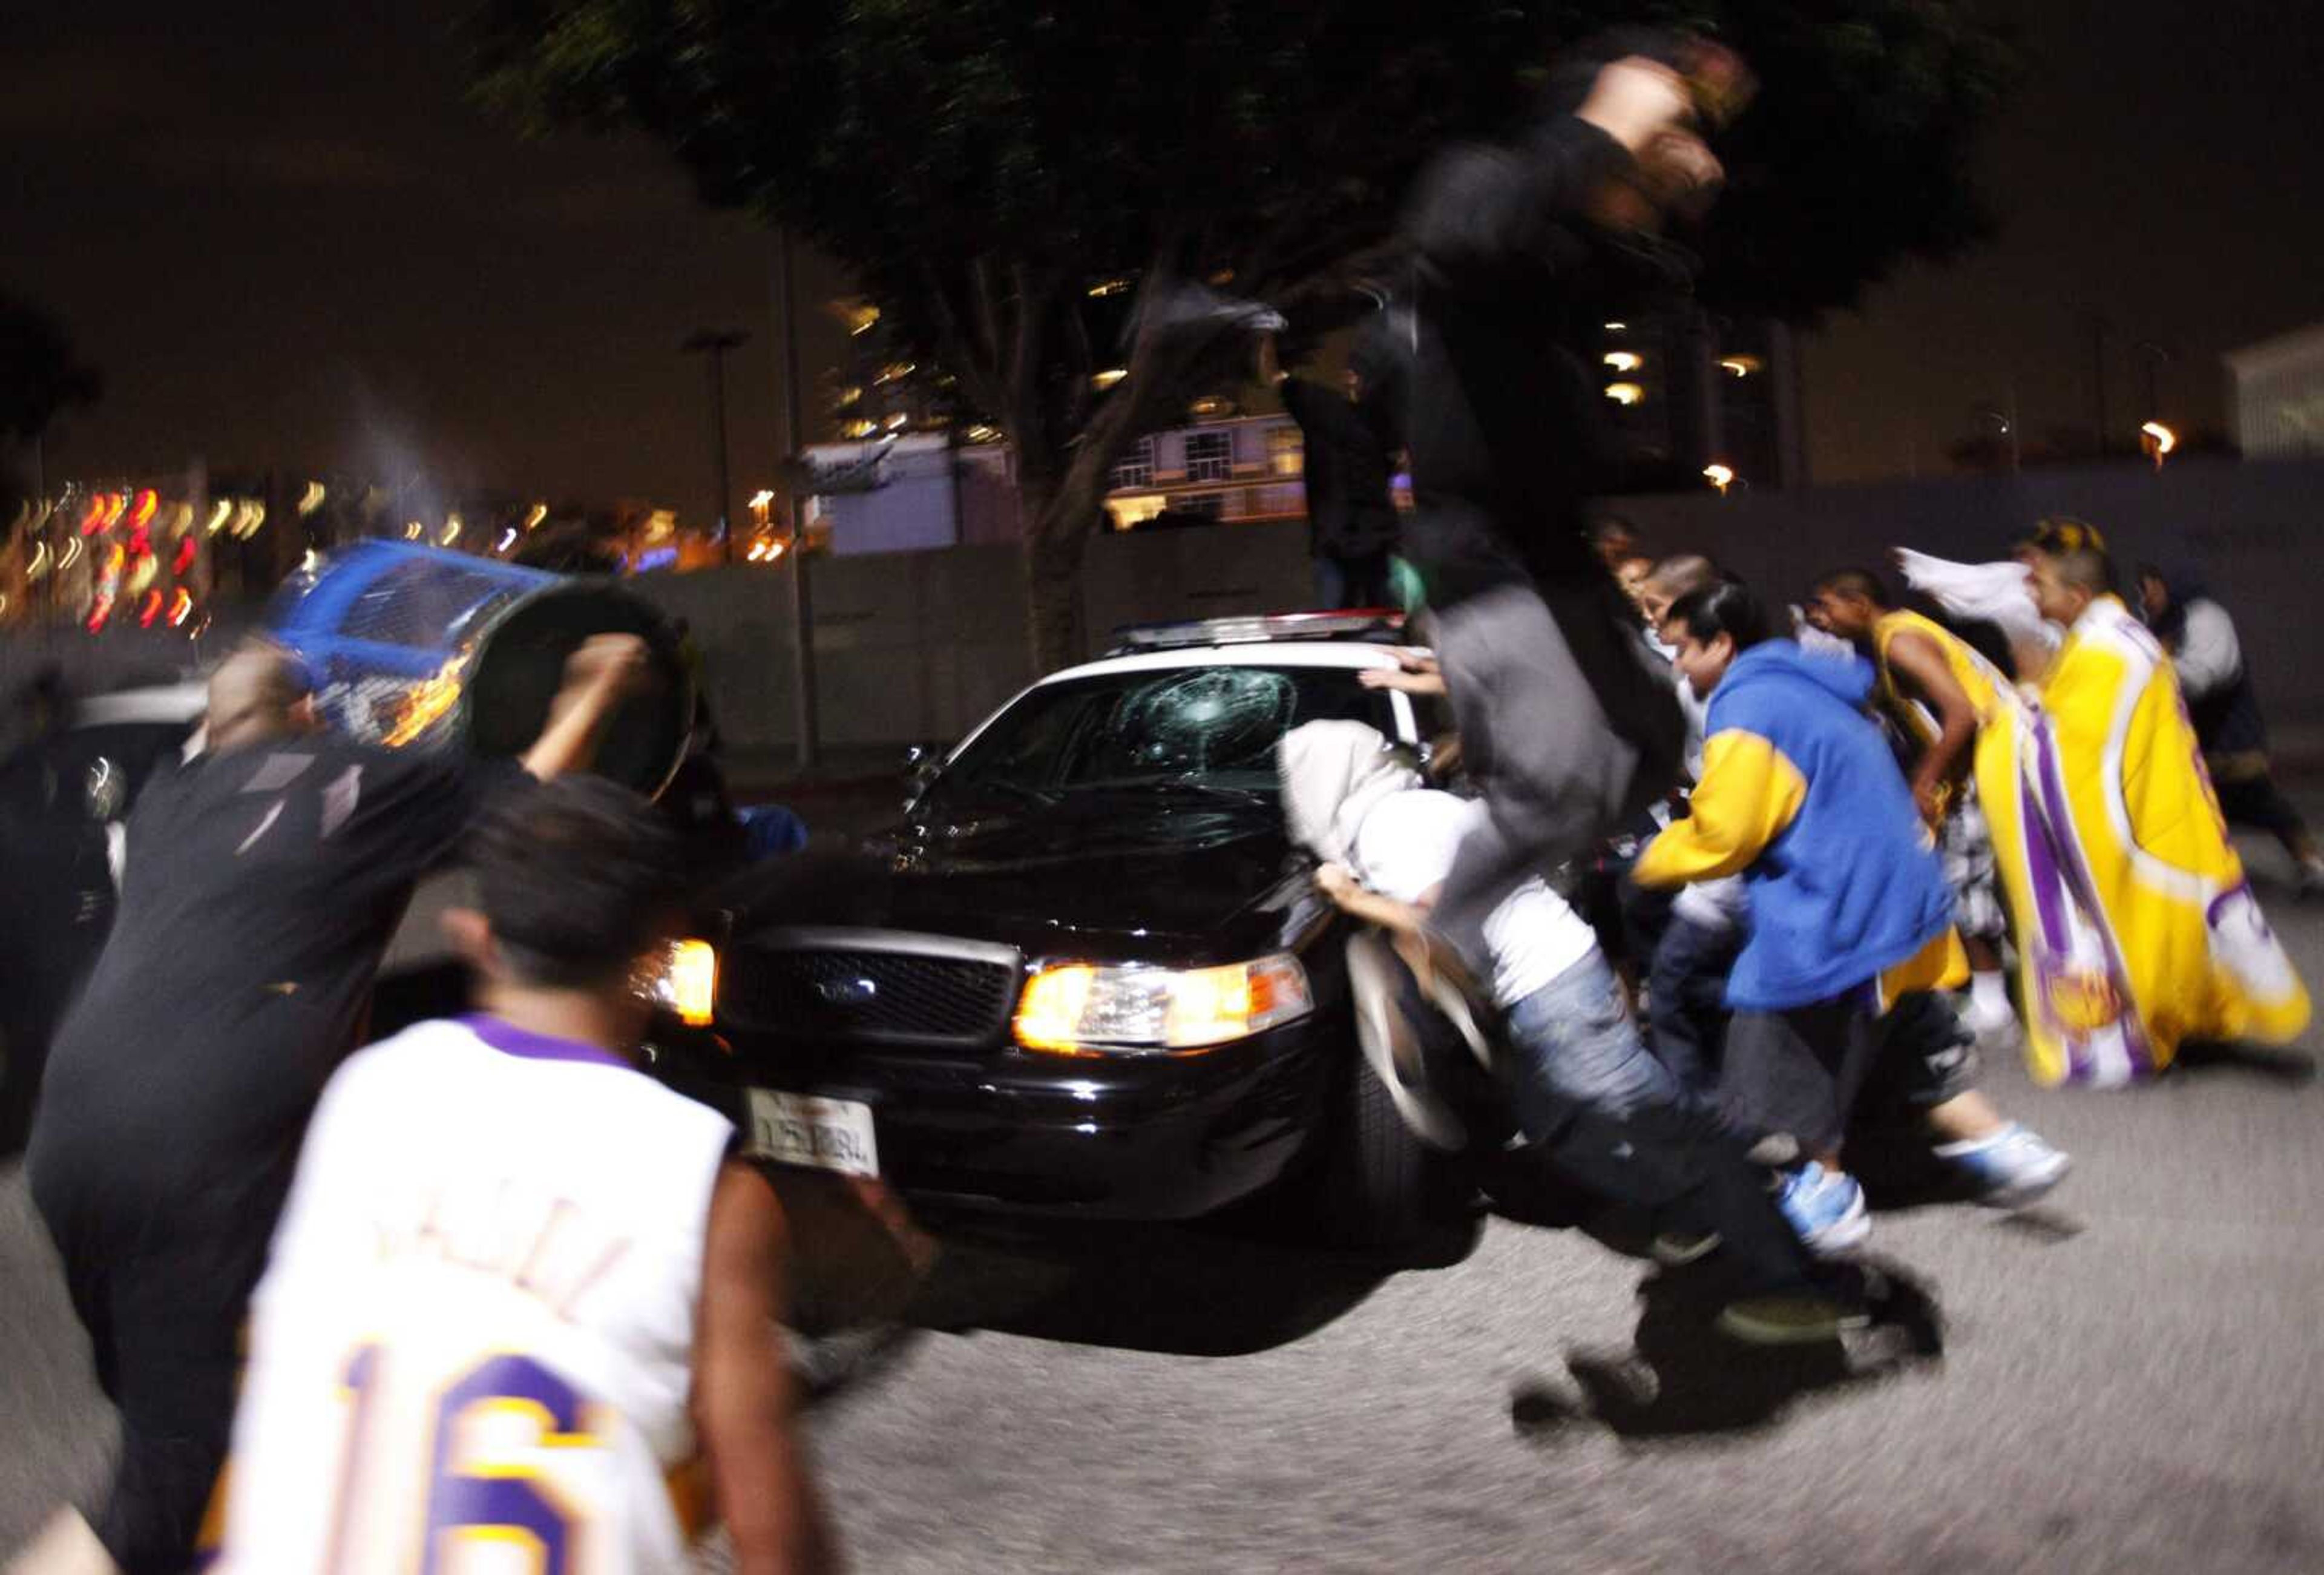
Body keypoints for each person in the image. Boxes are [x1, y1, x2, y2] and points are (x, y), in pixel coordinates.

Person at [18, 634, 649, 1575]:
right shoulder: (346, 778)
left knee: (224, 1400)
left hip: (66, 1140)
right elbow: (530, 799)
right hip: (195, 1145)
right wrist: (593, 693)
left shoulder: (166, 804)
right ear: (309, 715)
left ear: (208, 725)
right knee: (166, 1490)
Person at [210, 777, 834, 1574]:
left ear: (476, 936)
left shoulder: (364, 1094)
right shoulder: (705, 1182)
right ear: (660, 957)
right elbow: (777, 1545)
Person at [1279, 720, 1868, 1344]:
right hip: (1550, 980)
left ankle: (1809, 1285)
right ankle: (1704, 1205)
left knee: (1669, 1132)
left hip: (1552, 987)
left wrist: (1353, 898)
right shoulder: (1412, 806)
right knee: (1562, 1127)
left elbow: (1440, 920)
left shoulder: (1388, 829)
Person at [1391, 31, 1750, 985]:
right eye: (1658, 138)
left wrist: (1668, 178)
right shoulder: (1487, 190)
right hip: (1481, 556)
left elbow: (1664, 272)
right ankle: (1433, 940)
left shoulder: (1573, 257)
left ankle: (1463, 914)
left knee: (1653, 745)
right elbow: (1465, 238)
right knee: (1556, 785)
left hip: (1556, 554)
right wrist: (1610, 127)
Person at [1631, 584, 2066, 1254]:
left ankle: (1826, 1191)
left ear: (1721, 643)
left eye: (1684, 647)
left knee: (1790, 1048)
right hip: (1899, 901)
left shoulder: (1748, 704)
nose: (1679, 662)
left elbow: (1730, 830)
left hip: (1836, 915)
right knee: (1905, 1047)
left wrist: (1652, 859)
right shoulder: (1815, 686)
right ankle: (2004, 1145)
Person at [2011, 546, 2311, 1083]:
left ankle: (2151, 1042)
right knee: (2175, 931)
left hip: (2143, 825)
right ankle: (2179, 1031)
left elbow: (2069, 750)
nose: (2034, 593)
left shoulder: (2106, 650)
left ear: (2077, 597)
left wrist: (2018, 711)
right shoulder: (2116, 637)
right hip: (2162, 811)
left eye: (2044, 585)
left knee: (2144, 932)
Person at [1807, 568, 2020, 1046]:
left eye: (1827, 606)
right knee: (1965, 880)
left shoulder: (1898, 640)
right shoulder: (1890, 638)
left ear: (1860, 604)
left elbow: (1962, 712)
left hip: (1979, 774)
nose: (1821, 619)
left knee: (1968, 883)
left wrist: (1927, 778)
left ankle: (1992, 1003)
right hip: (1977, 771)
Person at [2133, 564, 2324, 898]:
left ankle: (2310, 861)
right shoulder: (2160, 624)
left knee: (2259, 802)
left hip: (2227, 743)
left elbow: (2206, 674)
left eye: (2150, 587)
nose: (2145, 597)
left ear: (2168, 584)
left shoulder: (2205, 618)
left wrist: (2156, 666)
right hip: (2191, 746)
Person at [1259, 322, 1403, 610]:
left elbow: (1272, 376)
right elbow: (1394, 465)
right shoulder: (1385, 424)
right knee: (1385, 619)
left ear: (1352, 377)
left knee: (1339, 622)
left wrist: (1263, 334)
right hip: (1377, 542)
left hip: (1336, 543)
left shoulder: (1322, 407)